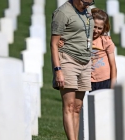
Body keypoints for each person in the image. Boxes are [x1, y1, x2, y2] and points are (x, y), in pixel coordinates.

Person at [50, 0, 95, 139]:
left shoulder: (86, 11)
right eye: (86, 1)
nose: (88, 4)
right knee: (69, 106)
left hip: (85, 62)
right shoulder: (63, 13)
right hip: (68, 60)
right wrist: (58, 70)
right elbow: (54, 43)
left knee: (77, 107)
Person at [59, 8, 117, 91]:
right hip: (86, 79)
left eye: (99, 28)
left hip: (104, 80)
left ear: (104, 28)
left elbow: (113, 65)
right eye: (94, 27)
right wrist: (62, 43)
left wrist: (113, 86)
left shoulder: (106, 41)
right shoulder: (81, 37)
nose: (96, 31)